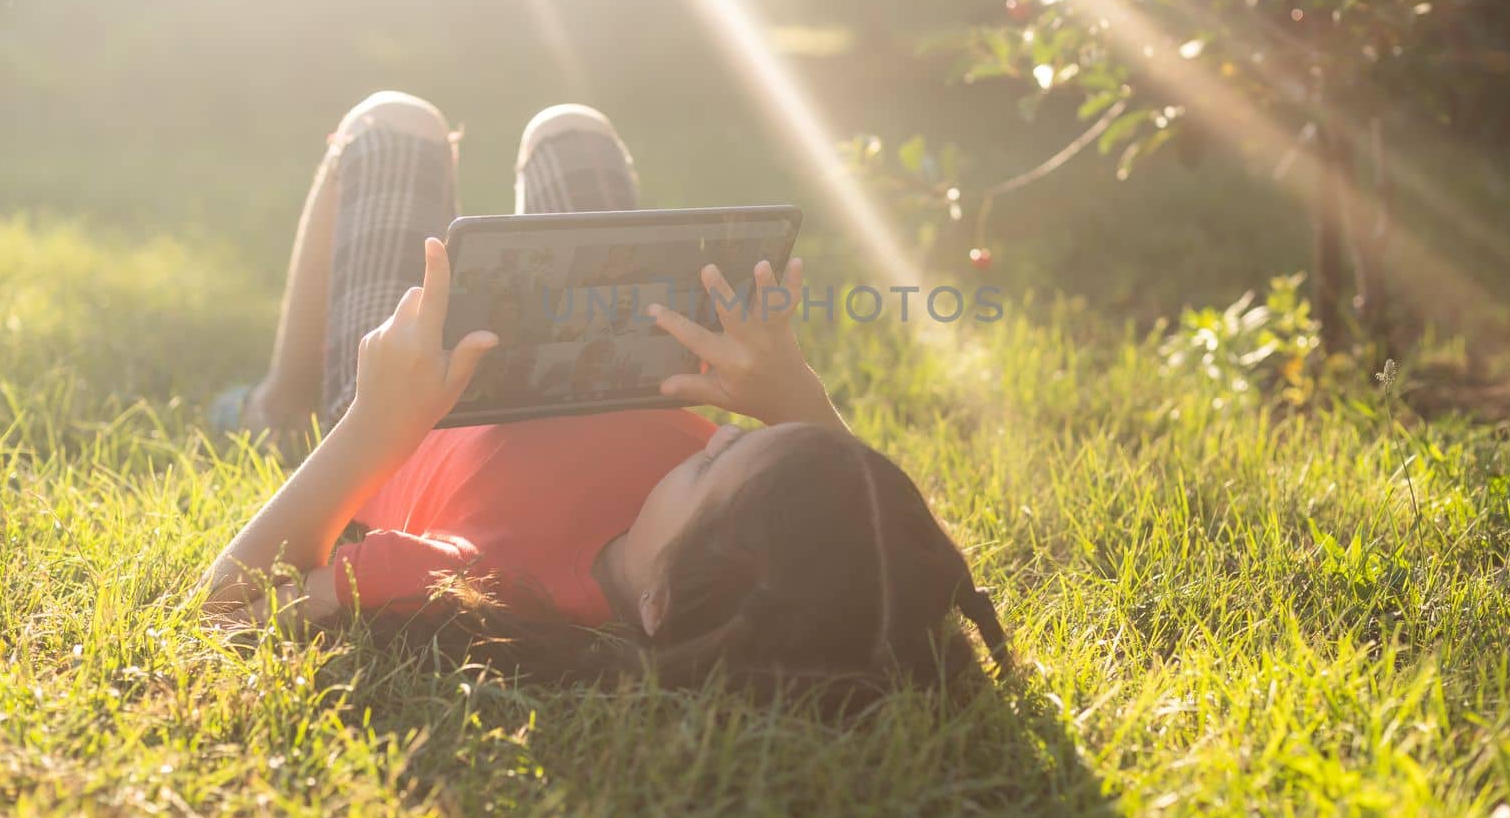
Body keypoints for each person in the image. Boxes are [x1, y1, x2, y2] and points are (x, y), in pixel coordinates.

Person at [202, 93, 1009, 697]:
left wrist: (366, 431)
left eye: (706, 464)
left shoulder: (486, 580)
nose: (722, 434)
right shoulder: (774, 534)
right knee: (570, 129)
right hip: (601, 348)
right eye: (741, 435)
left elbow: (228, 607)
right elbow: (885, 552)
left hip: (407, 391)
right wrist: (797, 397)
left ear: (655, 601)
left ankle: (283, 404)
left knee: (393, 124)